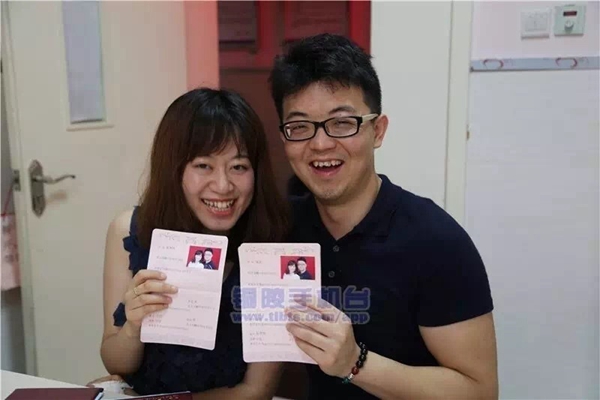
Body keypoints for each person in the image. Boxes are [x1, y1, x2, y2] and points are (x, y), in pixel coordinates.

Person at [269, 34, 498, 399]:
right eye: (299, 127)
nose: (321, 143)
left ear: (377, 130)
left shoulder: (436, 241)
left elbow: (480, 392)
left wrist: (354, 363)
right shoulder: (280, 228)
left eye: (342, 122)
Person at [98, 88, 290, 397]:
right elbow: (116, 361)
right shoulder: (128, 231)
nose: (223, 185)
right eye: (203, 165)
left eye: (239, 166)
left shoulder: (272, 249)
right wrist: (133, 326)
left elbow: (256, 391)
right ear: (174, 170)